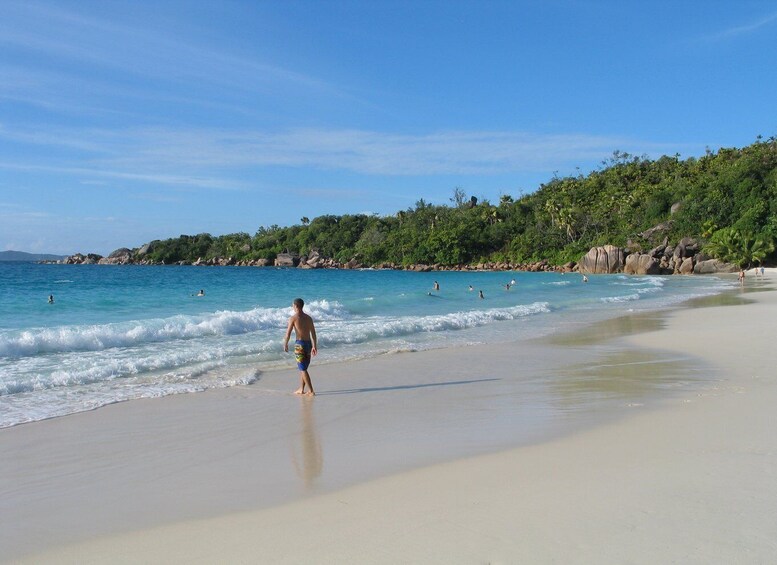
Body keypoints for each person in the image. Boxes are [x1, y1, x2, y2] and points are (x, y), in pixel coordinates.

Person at [283, 298, 318, 396]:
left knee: (303, 369)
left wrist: (285, 343)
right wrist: (314, 346)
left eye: (293, 306)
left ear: (296, 306)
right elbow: (313, 333)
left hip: (300, 345)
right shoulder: (309, 318)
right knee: (304, 368)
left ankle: (311, 390)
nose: (292, 307)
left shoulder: (293, 318)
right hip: (308, 344)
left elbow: (288, 334)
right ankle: (301, 389)